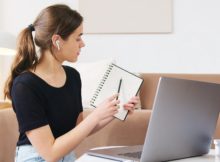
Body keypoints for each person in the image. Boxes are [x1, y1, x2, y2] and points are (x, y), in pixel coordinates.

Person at [3, 4, 139, 162]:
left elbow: (79, 128)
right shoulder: (25, 86)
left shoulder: (73, 76)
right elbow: (50, 153)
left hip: (67, 157)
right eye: (78, 37)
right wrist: (95, 116)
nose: (83, 44)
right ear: (57, 41)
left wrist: (114, 111)